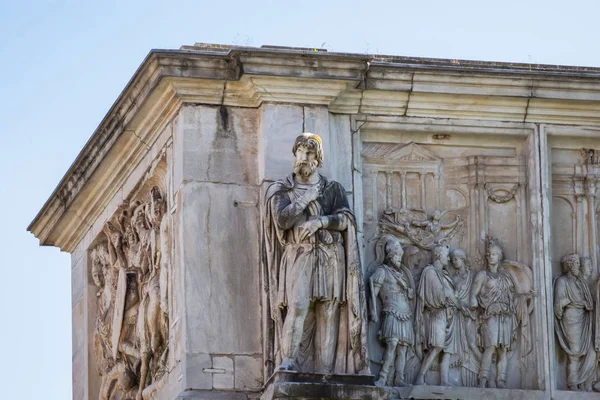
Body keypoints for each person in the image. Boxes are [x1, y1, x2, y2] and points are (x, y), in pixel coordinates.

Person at [263, 133, 369, 375]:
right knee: (298, 306)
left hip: (330, 255)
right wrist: (306, 198)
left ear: (317, 158)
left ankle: (325, 371)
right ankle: (288, 361)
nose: (304, 158)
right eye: (300, 152)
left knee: (329, 310)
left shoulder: (332, 189)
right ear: (294, 155)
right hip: (299, 254)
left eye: (309, 153)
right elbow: (281, 219)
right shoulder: (282, 189)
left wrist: (321, 221)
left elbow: (346, 220)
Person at [369, 237, 415, 386]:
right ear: (390, 255)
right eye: (397, 255)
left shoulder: (401, 274)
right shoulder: (382, 271)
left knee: (402, 348)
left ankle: (399, 378)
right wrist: (372, 311)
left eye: (400, 256)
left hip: (405, 312)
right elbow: (373, 293)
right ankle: (383, 377)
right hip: (391, 310)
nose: (399, 259)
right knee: (392, 344)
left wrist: (409, 294)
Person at [414, 245, 457, 386]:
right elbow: (436, 295)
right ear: (438, 256)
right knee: (437, 345)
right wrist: (449, 296)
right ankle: (420, 376)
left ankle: (444, 380)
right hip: (435, 314)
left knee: (445, 348)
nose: (448, 258)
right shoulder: (430, 272)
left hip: (447, 315)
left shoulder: (443, 274)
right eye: (446, 255)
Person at [554, 253, 595, 391]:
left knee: (584, 351)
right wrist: (576, 302)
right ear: (570, 265)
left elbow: (588, 300)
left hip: (583, 318)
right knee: (574, 353)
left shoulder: (580, 283)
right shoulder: (562, 281)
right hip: (571, 318)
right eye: (576, 264)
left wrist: (586, 304)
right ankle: (572, 383)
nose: (579, 266)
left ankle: (581, 382)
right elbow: (559, 303)